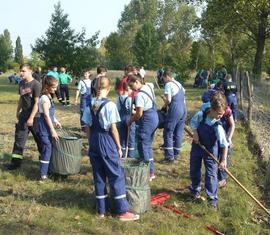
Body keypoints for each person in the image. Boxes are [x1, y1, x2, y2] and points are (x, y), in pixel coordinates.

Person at [82, 76, 139, 221]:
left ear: (95, 88)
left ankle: (101, 209)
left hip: (94, 141)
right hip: (106, 141)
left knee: (99, 176)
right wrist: (119, 146)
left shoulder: (89, 104)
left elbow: (86, 126)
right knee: (116, 174)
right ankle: (122, 211)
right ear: (108, 89)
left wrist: (90, 143)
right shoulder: (110, 105)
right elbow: (113, 129)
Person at [189, 95, 229, 207]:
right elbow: (193, 123)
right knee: (194, 168)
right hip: (197, 146)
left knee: (211, 174)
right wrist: (195, 133)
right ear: (212, 109)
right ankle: (195, 190)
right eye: (219, 114)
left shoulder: (218, 126)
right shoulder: (201, 115)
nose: (221, 116)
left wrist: (223, 160)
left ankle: (212, 199)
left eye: (222, 114)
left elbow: (224, 145)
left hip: (210, 151)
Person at [6, 64, 42, 170]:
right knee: (19, 139)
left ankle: (44, 161)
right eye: (20, 71)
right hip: (23, 116)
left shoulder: (36, 84)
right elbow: (21, 99)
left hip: (35, 117)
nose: (21, 73)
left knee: (39, 140)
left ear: (30, 71)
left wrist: (31, 118)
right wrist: (18, 112)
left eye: (23, 71)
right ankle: (15, 163)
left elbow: (37, 103)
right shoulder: (21, 83)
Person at [127, 74, 158, 181]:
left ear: (137, 82)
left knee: (143, 146)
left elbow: (139, 114)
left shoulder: (139, 95)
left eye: (132, 87)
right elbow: (150, 83)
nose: (132, 89)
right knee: (148, 146)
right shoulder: (148, 86)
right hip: (155, 118)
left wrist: (130, 120)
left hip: (147, 120)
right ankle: (151, 172)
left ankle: (147, 173)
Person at [38, 75, 61, 180]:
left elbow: (51, 115)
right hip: (44, 127)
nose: (55, 89)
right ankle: (43, 174)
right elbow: (46, 115)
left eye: (56, 87)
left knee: (48, 149)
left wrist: (56, 121)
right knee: (47, 149)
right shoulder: (44, 98)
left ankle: (49, 170)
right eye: (53, 87)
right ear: (46, 86)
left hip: (48, 125)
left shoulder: (49, 96)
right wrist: (52, 131)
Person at [161, 68, 187, 163]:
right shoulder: (179, 84)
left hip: (176, 108)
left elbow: (169, 100)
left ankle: (169, 157)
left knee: (168, 131)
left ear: (167, 77)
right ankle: (177, 154)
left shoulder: (168, 84)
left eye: (164, 79)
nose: (163, 81)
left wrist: (164, 106)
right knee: (178, 132)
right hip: (184, 108)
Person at [116, 81, 135, 158]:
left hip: (120, 119)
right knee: (130, 137)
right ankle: (130, 155)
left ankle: (123, 154)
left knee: (122, 138)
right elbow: (131, 110)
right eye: (131, 89)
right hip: (128, 118)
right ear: (128, 89)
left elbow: (118, 108)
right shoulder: (129, 99)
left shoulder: (118, 98)